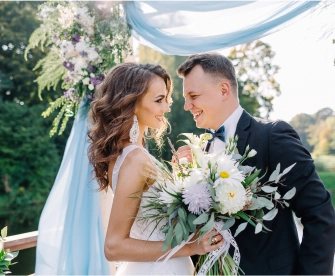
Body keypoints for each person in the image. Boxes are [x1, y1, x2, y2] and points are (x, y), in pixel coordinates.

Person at [176, 53, 335, 275]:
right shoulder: (201, 152)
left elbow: (319, 213)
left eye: (193, 95)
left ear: (224, 90)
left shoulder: (272, 136)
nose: (186, 106)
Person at [87, 62, 224, 275]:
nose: (167, 107)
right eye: (159, 100)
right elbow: (113, 246)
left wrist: (183, 176)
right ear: (131, 104)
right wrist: (188, 247)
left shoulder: (125, 155)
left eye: (166, 99)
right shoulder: (136, 159)